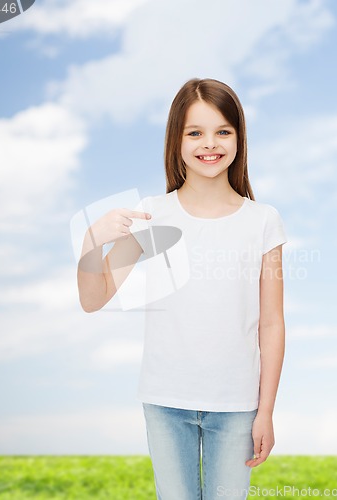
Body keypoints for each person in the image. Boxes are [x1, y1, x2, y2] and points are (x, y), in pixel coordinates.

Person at [76, 78, 287, 500]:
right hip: (165, 399)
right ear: (176, 140)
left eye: (223, 131)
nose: (210, 144)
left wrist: (265, 411)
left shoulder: (263, 221)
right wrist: (90, 243)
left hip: (237, 405)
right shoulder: (152, 215)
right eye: (195, 132)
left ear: (239, 138)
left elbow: (271, 324)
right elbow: (93, 299)